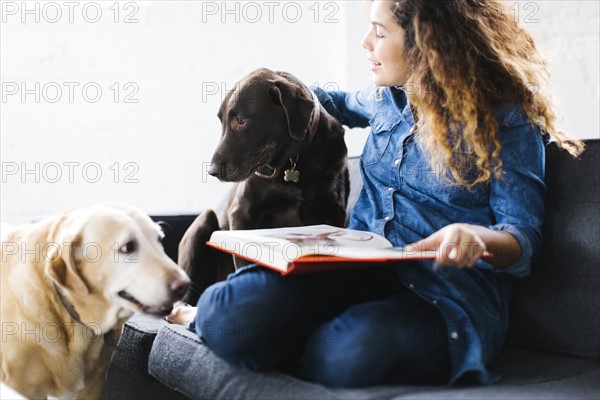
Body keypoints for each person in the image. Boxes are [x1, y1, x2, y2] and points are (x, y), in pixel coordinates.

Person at [169, 0, 584, 387]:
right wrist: (262, 96)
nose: (365, 43)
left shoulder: (508, 123)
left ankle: (289, 342)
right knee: (229, 314)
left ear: (426, 42)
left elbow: (523, 239)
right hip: (355, 272)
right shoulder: (385, 99)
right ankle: (232, 326)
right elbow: (324, 102)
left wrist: (478, 237)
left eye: (379, 32)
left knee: (345, 352)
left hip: (441, 299)